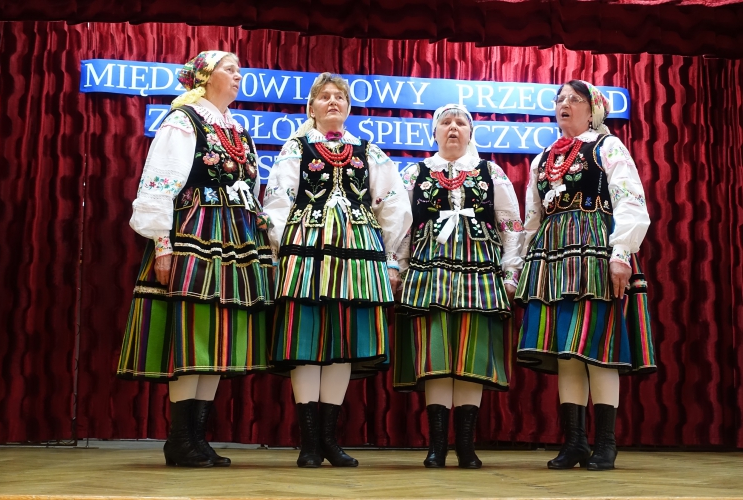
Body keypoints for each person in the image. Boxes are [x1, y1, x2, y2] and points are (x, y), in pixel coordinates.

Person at [117, 51, 275, 468]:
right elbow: (159, 183)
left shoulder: (238, 130)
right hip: (196, 231)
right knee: (194, 332)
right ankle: (180, 439)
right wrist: (162, 245)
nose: (238, 75)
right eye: (229, 69)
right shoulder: (183, 121)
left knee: (216, 334)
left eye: (239, 70)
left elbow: (250, 189)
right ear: (204, 76)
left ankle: (196, 438)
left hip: (235, 237)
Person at [263, 72, 412, 468]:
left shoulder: (368, 150)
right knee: (306, 340)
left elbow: (394, 203)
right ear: (311, 107)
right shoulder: (296, 148)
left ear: (348, 106)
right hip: (306, 251)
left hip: (358, 254)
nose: (333, 102)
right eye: (325, 96)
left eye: (340, 97)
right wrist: (281, 251)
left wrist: (387, 253)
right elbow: (278, 201)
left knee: (344, 342)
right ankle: (309, 442)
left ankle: (329, 439)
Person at [516, 80, 656, 471]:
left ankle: (606, 443)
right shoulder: (543, 158)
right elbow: (532, 219)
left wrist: (621, 253)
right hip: (552, 256)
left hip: (594, 249)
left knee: (599, 347)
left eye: (574, 99)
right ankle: (575, 442)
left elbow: (629, 198)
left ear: (593, 109)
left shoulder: (607, 146)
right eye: (560, 99)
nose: (564, 104)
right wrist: (522, 265)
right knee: (567, 352)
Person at [393, 104, 524, 468]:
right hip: (428, 270)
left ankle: (466, 445)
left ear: (470, 132)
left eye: (461, 123)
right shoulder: (414, 173)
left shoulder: (491, 172)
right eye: (446, 123)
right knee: (435, 354)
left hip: (479, 270)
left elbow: (510, 226)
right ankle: (436, 445)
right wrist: (397, 267)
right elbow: (402, 226)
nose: (453, 127)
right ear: (434, 132)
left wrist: (510, 272)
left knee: (472, 353)